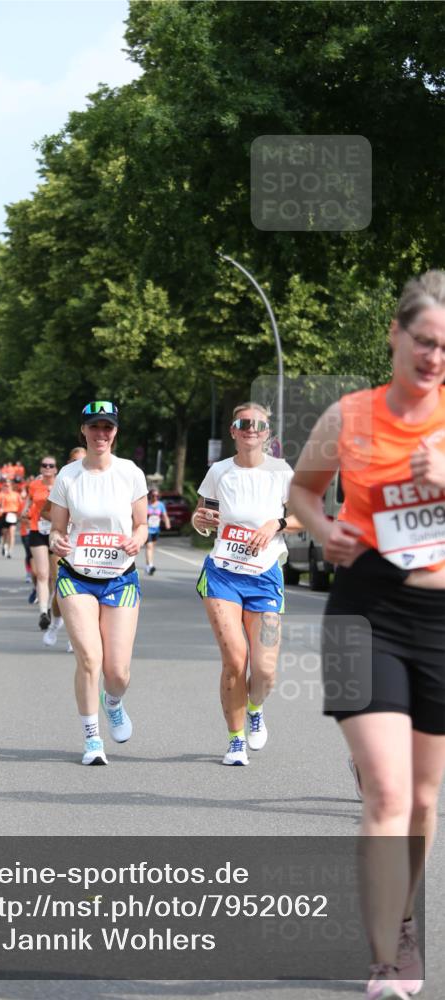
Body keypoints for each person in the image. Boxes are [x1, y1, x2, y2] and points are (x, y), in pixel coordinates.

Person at [289, 270, 445, 1000]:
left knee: (420, 798)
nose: (435, 358)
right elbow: (301, 490)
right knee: (384, 789)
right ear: (395, 334)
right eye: (424, 341)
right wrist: (324, 532)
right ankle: (386, 959)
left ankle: (403, 919)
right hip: (364, 609)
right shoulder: (348, 416)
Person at [192, 403, 301, 767]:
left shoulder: (281, 473)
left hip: (266, 575)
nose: (251, 429)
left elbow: (305, 514)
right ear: (234, 431)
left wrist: (277, 525)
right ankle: (235, 739)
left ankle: (255, 708)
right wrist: (200, 520)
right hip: (223, 573)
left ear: (267, 433)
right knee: (236, 660)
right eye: (243, 423)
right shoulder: (220, 472)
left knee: (265, 669)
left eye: (259, 424)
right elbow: (201, 514)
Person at [48, 401, 148, 765]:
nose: (101, 434)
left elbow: (141, 524)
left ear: (115, 432)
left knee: (116, 672)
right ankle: (92, 740)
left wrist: (137, 539)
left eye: (107, 428)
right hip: (77, 577)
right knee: (90, 659)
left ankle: (114, 703)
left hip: (120, 579)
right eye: (94, 427)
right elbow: (56, 530)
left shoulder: (130, 473)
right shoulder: (68, 476)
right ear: (84, 431)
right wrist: (56, 541)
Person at [41, 446, 87, 648]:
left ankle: (73, 636)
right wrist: (63, 522)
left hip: (86, 549)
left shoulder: (101, 484)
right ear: (69, 463)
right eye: (75, 461)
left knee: (83, 594)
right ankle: (55, 623)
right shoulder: (64, 482)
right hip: (64, 545)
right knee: (61, 591)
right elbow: (44, 512)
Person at [23, 457, 59, 629]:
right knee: (42, 574)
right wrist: (25, 512)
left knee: (55, 576)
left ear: (55, 469)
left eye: (51, 465)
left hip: (56, 531)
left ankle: (53, 607)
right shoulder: (34, 485)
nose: (47, 468)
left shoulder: (61, 484)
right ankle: (43, 612)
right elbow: (30, 502)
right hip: (37, 529)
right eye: (44, 465)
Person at [144, 488, 171, 575]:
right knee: (149, 547)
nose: (155, 497)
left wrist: (167, 523)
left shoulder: (160, 505)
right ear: (150, 496)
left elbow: (165, 515)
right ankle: (151, 566)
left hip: (156, 529)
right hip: (147, 529)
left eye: (157, 496)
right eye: (153, 495)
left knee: (152, 548)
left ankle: (147, 565)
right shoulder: (146, 505)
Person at [0, 479, 22, 558]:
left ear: (11, 486)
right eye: (5, 485)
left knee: (12, 532)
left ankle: (10, 551)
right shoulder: (1, 495)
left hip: (13, 514)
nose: (7, 487)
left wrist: (19, 514)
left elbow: (21, 505)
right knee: (5, 533)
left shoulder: (16, 495)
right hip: (4, 515)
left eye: (8, 485)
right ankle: (4, 545)